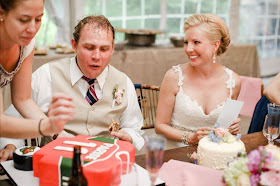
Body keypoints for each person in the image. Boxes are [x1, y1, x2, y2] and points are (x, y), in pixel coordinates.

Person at [6, 15, 144, 151]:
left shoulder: (123, 82)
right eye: (89, 48)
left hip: (104, 164)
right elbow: (13, 117)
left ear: (112, 48)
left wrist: (129, 137)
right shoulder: (47, 75)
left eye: (104, 49)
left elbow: (134, 128)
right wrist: (10, 145)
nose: (96, 56)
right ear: (74, 45)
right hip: (56, 164)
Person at [155, 13, 241, 146]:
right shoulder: (173, 76)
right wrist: (189, 138)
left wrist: (232, 130)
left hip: (213, 154)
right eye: (186, 42)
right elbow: (160, 126)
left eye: (196, 42)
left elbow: (224, 130)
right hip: (176, 153)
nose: (188, 49)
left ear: (215, 45)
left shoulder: (233, 81)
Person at [0, 0, 75, 138]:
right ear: (1, 13)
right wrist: (45, 127)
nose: (32, 29)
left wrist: (60, 134)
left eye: (38, 19)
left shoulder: (25, 45)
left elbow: (23, 100)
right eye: (23, 20)